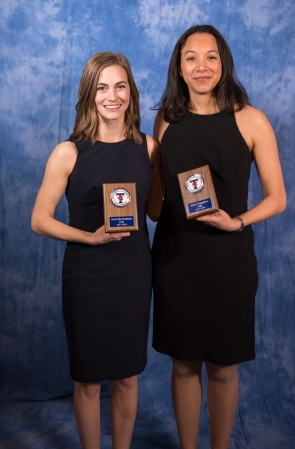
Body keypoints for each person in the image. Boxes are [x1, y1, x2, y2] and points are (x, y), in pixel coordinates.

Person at [152, 24, 286, 449]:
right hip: (176, 259)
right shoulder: (165, 121)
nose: (201, 66)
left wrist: (239, 221)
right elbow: (157, 208)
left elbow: (278, 198)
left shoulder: (251, 120)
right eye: (191, 57)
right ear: (179, 66)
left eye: (210, 56)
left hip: (229, 258)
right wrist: (140, 175)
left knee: (224, 367)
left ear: (224, 62)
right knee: (184, 365)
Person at [31, 52, 162, 449]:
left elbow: (154, 210)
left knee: (127, 375)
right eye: (102, 87)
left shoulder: (149, 147)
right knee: (88, 379)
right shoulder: (68, 152)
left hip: (134, 274)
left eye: (120, 86)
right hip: (87, 276)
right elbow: (40, 219)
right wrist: (88, 237)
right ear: (89, 94)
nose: (112, 95)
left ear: (131, 92)